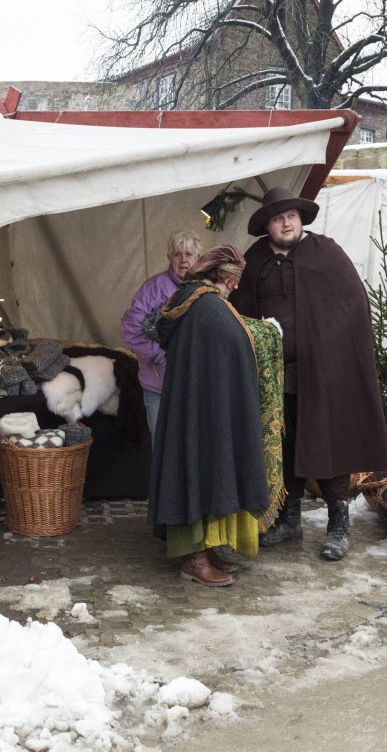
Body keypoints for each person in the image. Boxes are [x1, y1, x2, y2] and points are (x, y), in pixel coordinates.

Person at [230, 187, 387, 561]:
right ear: (267, 225)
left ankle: (338, 525)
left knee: (329, 443)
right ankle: (290, 521)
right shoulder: (254, 260)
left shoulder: (327, 254)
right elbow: (238, 311)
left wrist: (330, 349)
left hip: (324, 373)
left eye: (291, 216)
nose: (286, 223)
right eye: (277, 217)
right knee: (285, 447)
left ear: (300, 219)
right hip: (274, 376)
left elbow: (352, 306)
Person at [147, 244, 283, 586]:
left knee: (201, 470)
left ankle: (205, 549)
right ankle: (194, 559)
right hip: (201, 411)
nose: (234, 287)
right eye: (230, 279)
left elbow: (231, 334)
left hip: (197, 408)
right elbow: (236, 337)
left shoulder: (192, 300)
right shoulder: (207, 304)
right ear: (217, 275)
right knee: (200, 472)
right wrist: (269, 332)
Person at [120, 230, 202, 442]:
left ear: (198, 258)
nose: (183, 260)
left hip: (194, 386)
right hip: (160, 387)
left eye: (189, 254)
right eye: (177, 254)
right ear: (169, 258)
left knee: (194, 445)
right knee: (164, 447)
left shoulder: (205, 290)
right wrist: (158, 356)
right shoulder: (153, 288)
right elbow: (130, 329)